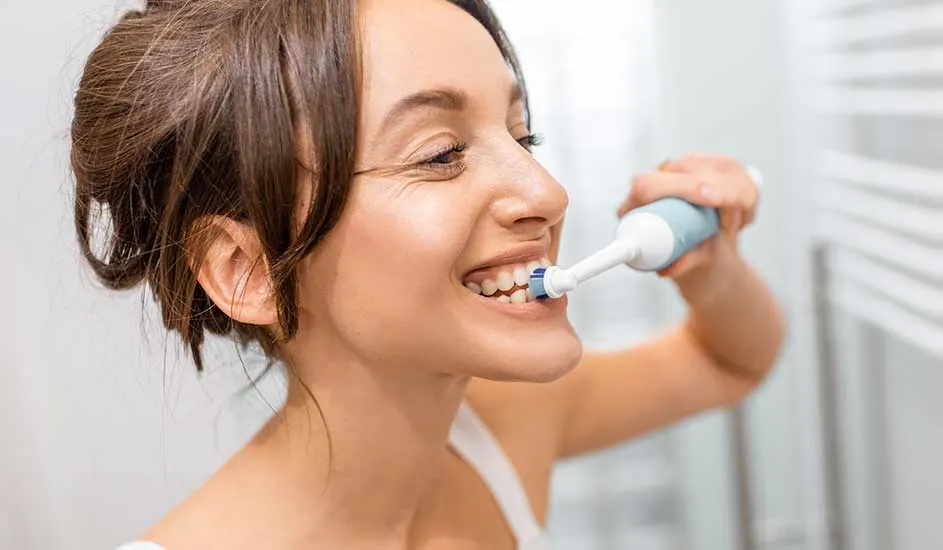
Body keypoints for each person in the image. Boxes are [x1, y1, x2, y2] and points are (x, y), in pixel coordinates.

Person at [70, 0, 785, 548]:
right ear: (249, 270)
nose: (546, 193)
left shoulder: (505, 426)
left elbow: (725, 362)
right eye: (441, 154)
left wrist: (707, 262)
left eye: (519, 133)